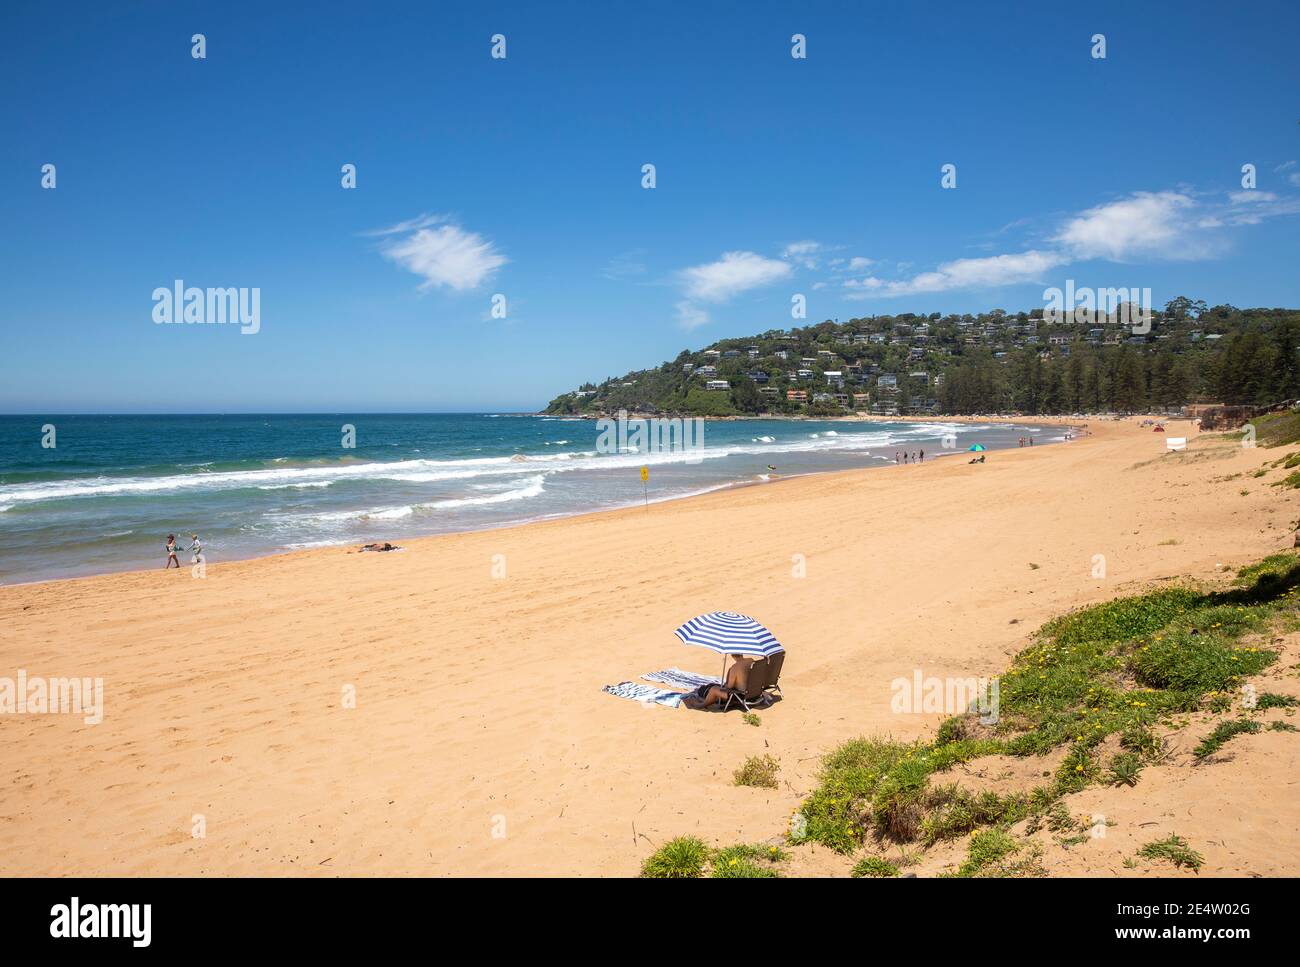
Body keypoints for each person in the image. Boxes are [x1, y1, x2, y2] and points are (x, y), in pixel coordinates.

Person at [682, 655, 755, 710]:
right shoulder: (751, 660)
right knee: (715, 688)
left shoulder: (735, 668)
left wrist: (729, 674)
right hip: (753, 692)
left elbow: (729, 687)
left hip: (740, 695)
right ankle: (706, 699)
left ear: (732, 655)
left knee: (714, 689)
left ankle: (702, 705)